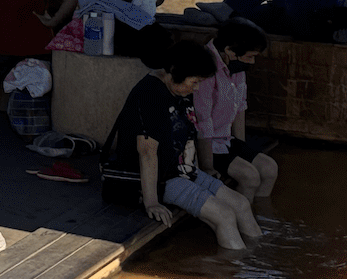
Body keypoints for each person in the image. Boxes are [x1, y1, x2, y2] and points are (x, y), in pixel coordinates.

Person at [101, 39, 261, 250]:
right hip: (160, 178)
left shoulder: (178, 90)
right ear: (174, 72)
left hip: (182, 170)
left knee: (240, 204)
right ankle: (234, 265)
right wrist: (152, 202)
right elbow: (147, 152)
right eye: (194, 82)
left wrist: (205, 169)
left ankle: (255, 259)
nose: (196, 88)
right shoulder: (151, 94)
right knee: (224, 216)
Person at [193, 17, 278, 199]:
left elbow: (240, 107)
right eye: (250, 57)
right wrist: (207, 166)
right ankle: (243, 214)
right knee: (250, 177)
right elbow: (203, 120)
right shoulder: (206, 66)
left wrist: (241, 148)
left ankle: (259, 213)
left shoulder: (236, 66)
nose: (252, 62)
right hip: (205, 144)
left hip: (226, 138)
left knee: (269, 169)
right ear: (229, 51)